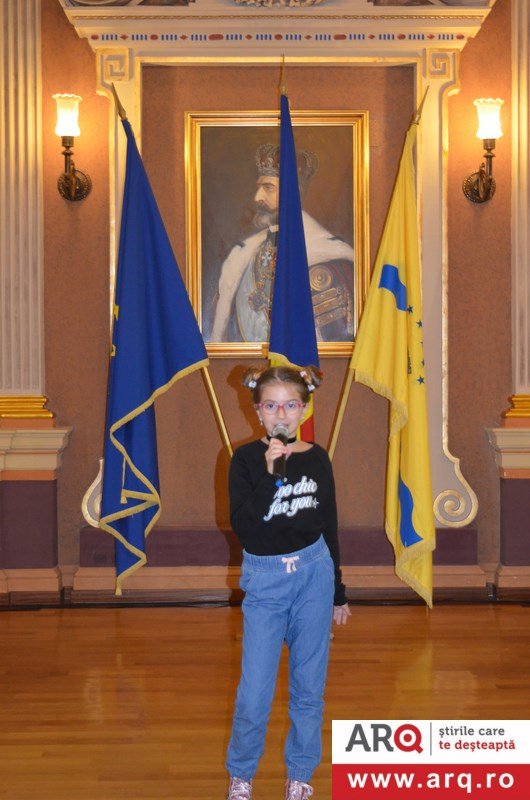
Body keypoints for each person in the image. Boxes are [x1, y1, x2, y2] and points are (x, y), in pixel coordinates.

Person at [226, 365, 351, 800]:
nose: (281, 415)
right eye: (271, 405)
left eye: (291, 405)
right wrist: (270, 473)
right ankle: (242, 774)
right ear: (257, 411)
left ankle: (299, 774)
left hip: (314, 574)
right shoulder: (245, 460)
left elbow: (328, 524)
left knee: (308, 688)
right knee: (254, 693)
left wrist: (337, 592)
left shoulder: (318, 458)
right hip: (266, 579)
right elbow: (246, 529)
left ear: (303, 409)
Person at [210, 144, 354, 344]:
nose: (257, 197)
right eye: (259, 187)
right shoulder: (242, 255)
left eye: (268, 188)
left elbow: (330, 342)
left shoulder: (328, 258)